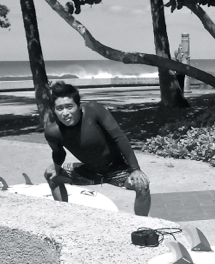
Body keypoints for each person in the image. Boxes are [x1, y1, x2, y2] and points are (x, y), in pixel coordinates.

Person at [44, 82, 151, 216]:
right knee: (51, 175)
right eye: (59, 108)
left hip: (118, 169)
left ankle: (142, 224)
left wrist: (135, 169)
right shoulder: (53, 132)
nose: (65, 113)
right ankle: (65, 216)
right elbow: (59, 152)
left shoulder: (93, 110)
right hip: (89, 171)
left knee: (142, 185)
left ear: (78, 106)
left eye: (69, 107)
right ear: (54, 110)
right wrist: (56, 166)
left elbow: (119, 137)